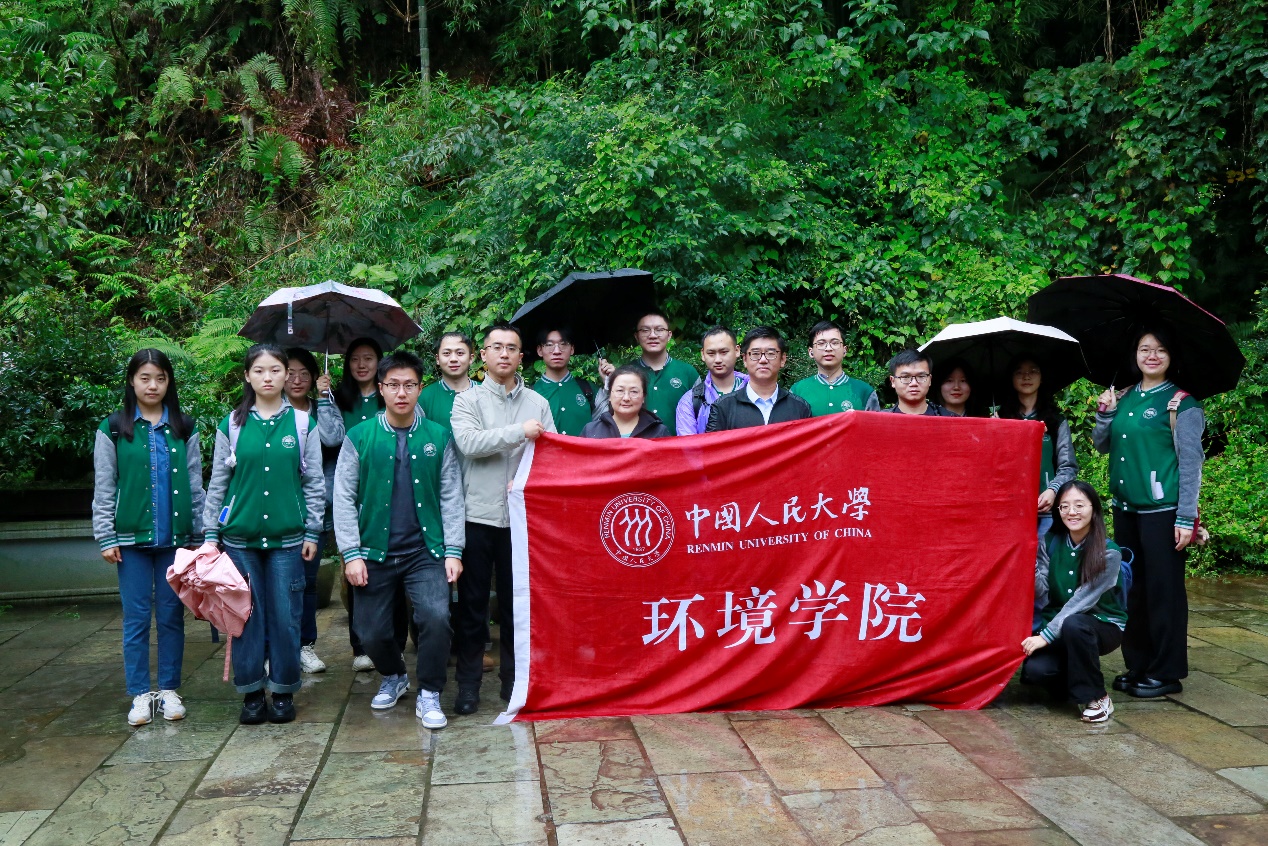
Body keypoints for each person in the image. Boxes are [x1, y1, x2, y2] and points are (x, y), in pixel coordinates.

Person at [334, 352, 465, 728]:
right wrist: (351, 554)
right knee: (370, 631)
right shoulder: (360, 437)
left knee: (436, 618)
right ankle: (394, 675)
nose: (402, 393)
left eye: (409, 385)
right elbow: (342, 497)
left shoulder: (438, 436)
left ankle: (430, 692)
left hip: (426, 550)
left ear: (420, 388)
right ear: (381, 389)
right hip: (373, 551)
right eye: (393, 385)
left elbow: (451, 496)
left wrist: (453, 550)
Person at [203, 343, 325, 725]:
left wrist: (312, 531)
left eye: (275, 370)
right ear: (247, 376)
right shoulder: (232, 425)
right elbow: (218, 483)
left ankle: (284, 691)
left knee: (287, 617)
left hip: (289, 540)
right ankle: (252, 693)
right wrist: (210, 534)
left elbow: (315, 483)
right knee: (245, 618)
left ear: (286, 375)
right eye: (259, 370)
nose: (268, 377)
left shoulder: (303, 424)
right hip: (239, 541)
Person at [92, 349, 205, 727]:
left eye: (160, 378)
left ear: (169, 381)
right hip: (130, 541)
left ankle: (169, 689)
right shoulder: (113, 428)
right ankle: (140, 693)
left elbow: (195, 484)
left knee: (172, 616)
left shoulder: (184, 426)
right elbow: (105, 486)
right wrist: (106, 535)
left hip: (177, 540)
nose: (152, 385)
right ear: (132, 381)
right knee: (137, 618)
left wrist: (201, 535)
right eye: (144, 378)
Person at [450, 324, 556, 714]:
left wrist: (530, 479)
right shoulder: (467, 400)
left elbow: (552, 453)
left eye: (512, 348)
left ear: (521, 356)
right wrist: (519, 433)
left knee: (517, 606)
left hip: (522, 521)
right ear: (483, 355)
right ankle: (468, 685)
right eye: (497, 347)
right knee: (472, 606)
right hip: (477, 517)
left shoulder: (538, 403)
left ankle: (514, 683)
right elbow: (469, 443)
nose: (504, 354)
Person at [1093, 328, 1203, 699]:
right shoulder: (1124, 396)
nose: (1152, 356)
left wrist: (1185, 517)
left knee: (1163, 591)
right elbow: (1101, 445)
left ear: (1171, 356)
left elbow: (1191, 464)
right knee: (1133, 589)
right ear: (1135, 355)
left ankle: (1166, 671)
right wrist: (1105, 413)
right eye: (1144, 349)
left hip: (1163, 512)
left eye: (1160, 349)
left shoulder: (1182, 404)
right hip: (1126, 508)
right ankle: (1138, 664)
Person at [1022, 480, 1127, 723]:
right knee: (1036, 672)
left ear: (1094, 509)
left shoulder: (1109, 552)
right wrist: (1030, 564)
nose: (1072, 512)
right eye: (1065, 506)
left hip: (1101, 624)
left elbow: (1082, 601)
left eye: (1079, 505)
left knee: (1075, 624)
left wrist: (1045, 636)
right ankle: (1076, 677)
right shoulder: (1051, 542)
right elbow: (1043, 592)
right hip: (1061, 624)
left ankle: (1098, 697)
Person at [332, 337, 407, 670]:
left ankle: (395, 644)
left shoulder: (391, 397)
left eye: (369, 358)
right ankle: (360, 646)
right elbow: (330, 439)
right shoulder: (337, 398)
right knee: (356, 573)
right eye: (355, 359)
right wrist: (323, 399)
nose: (361, 365)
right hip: (352, 495)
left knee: (397, 574)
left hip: (390, 493)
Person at [284, 348, 345, 674]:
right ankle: (278, 646)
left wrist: (323, 398)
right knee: (278, 582)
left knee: (307, 582)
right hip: (279, 509)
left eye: (304, 373)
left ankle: (304, 645)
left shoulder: (322, 405)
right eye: (290, 373)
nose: (296, 380)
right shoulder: (272, 410)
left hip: (315, 509)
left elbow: (334, 439)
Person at [999, 357, 1077, 538]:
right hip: (1010, 509)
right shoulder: (1001, 418)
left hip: (1047, 509)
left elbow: (1068, 466)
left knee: (1044, 555)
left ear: (1042, 378)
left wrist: (1053, 490)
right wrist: (995, 433)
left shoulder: (1056, 421)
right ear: (1011, 378)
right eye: (1019, 371)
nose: (1026, 376)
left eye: (1033, 371)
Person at [597, 310, 699, 435]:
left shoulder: (688, 372)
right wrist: (609, 381)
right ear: (636, 336)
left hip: (678, 445)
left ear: (669, 335)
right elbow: (613, 412)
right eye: (645, 330)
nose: (652, 335)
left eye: (659, 330)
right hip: (637, 445)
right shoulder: (626, 373)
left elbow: (701, 414)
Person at [706, 327, 811, 431]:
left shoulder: (800, 407)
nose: (763, 360)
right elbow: (713, 442)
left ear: (782, 359)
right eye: (755, 354)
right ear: (745, 359)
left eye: (771, 354)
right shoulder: (723, 407)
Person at [790, 321, 877, 415]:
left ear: (845, 350)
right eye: (821, 343)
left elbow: (875, 423)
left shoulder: (864, 391)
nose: (828, 348)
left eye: (835, 343)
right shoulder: (797, 390)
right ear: (811, 352)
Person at [675, 326, 748, 435]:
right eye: (711, 353)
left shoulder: (755, 392)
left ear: (737, 351)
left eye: (724, 352)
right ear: (703, 354)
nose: (718, 360)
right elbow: (688, 444)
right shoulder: (690, 401)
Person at [530, 328, 596, 436]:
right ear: (540, 350)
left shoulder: (589, 390)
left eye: (563, 344)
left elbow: (608, 426)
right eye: (549, 345)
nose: (557, 351)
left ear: (572, 349)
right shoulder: (530, 394)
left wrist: (610, 381)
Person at [583, 365, 672, 438]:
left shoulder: (658, 432)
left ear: (643, 397)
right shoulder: (591, 431)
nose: (626, 398)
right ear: (609, 394)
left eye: (634, 392)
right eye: (620, 390)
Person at [418, 331, 474, 431]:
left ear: (471, 358)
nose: (453, 359)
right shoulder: (423, 398)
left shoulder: (486, 393)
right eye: (446, 353)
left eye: (460, 353)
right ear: (437, 359)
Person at [877, 350, 953, 415]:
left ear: (930, 380)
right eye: (906, 377)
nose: (914, 383)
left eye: (921, 376)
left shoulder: (949, 419)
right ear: (893, 381)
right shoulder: (881, 420)